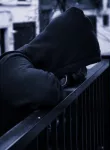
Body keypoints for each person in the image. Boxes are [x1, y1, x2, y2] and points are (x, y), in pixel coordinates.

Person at [0, 7, 101, 136]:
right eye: (79, 66)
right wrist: (65, 80)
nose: (82, 72)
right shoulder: (11, 61)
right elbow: (46, 89)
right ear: (63, 53)